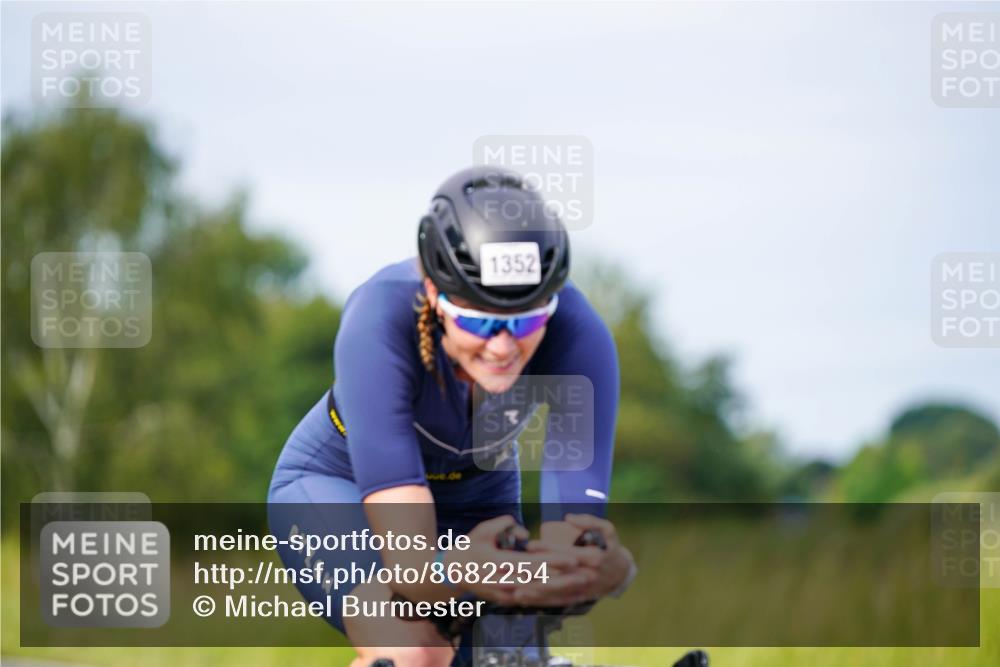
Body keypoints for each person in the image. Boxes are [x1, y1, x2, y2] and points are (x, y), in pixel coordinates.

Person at [268, 166, 634, 667]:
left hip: (480, 492)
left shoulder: (579, 333)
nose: (503, 346)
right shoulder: (379, 318)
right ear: (436, 296)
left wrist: (586, 572)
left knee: (505, 657)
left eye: (526, 320)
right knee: (417, 649)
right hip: (337, 484)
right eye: (480, 321)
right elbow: (411, 568)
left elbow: (570, 536)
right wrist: (460, 571)